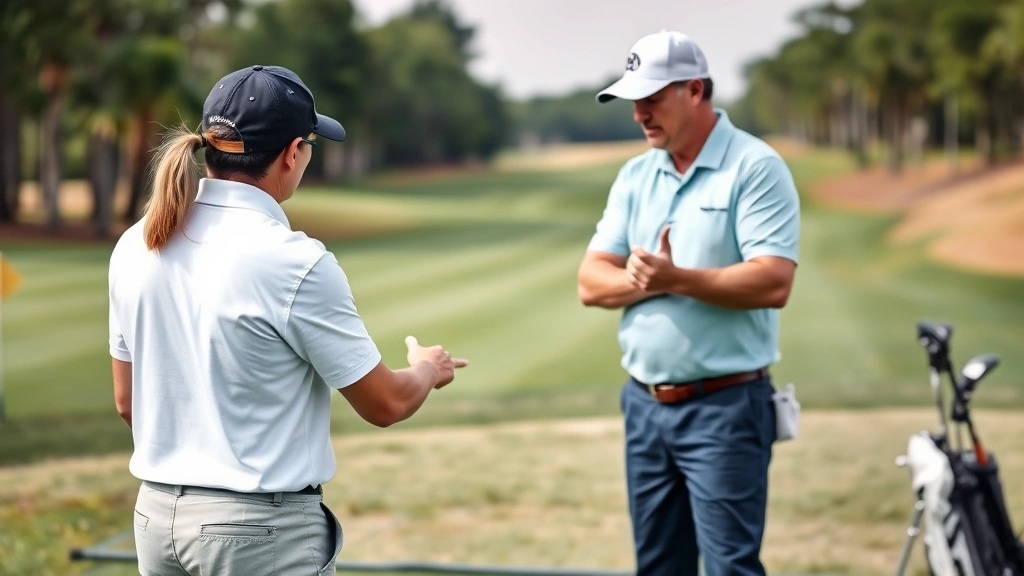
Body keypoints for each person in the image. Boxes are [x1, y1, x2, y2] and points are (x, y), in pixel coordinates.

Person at [108, 65, 468, 576]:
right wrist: (427, 367)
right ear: (291, 152)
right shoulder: (294, 261)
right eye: (310, 145)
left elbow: (128, 403)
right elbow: (386, 403)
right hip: (257, 533)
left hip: (156, 520)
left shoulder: (136, 242)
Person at [576, 31, 801, 576]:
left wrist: (674, 278)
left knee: (730, 568)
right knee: (658, 567)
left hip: (725, 408)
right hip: (645, 407)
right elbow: (590, 282)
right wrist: (655, 281)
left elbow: (773, 282)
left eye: (652, 98)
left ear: (695, 90)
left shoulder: (754, 165)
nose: (639, 114)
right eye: (634, 100)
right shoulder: (636, 175)